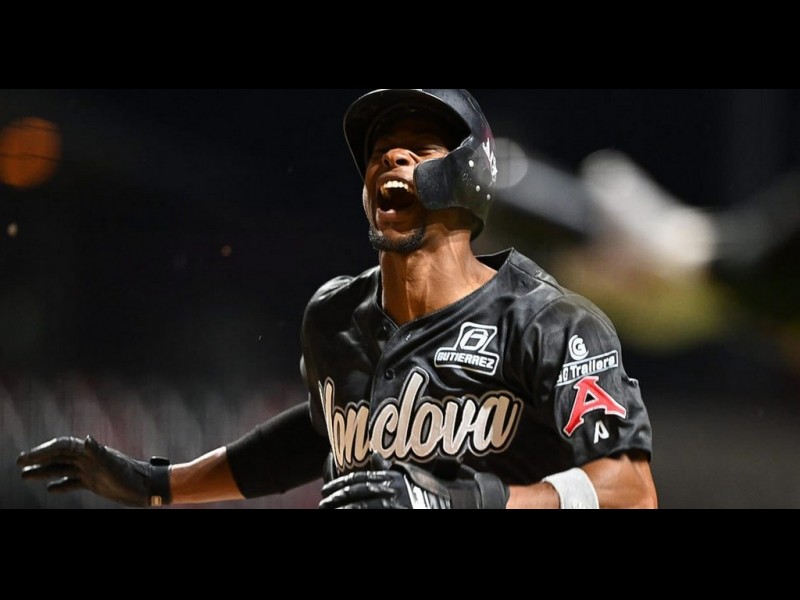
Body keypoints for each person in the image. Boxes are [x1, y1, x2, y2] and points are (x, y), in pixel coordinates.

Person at [17, 89, 658, 510]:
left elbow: (631, 490)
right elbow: (318, 432)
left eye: (420, 147)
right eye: (379, 151)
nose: (391, 156)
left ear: (470, 177)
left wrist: (474, 501)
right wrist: (157, 484)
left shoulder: (549, 323)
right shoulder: (334, 320)